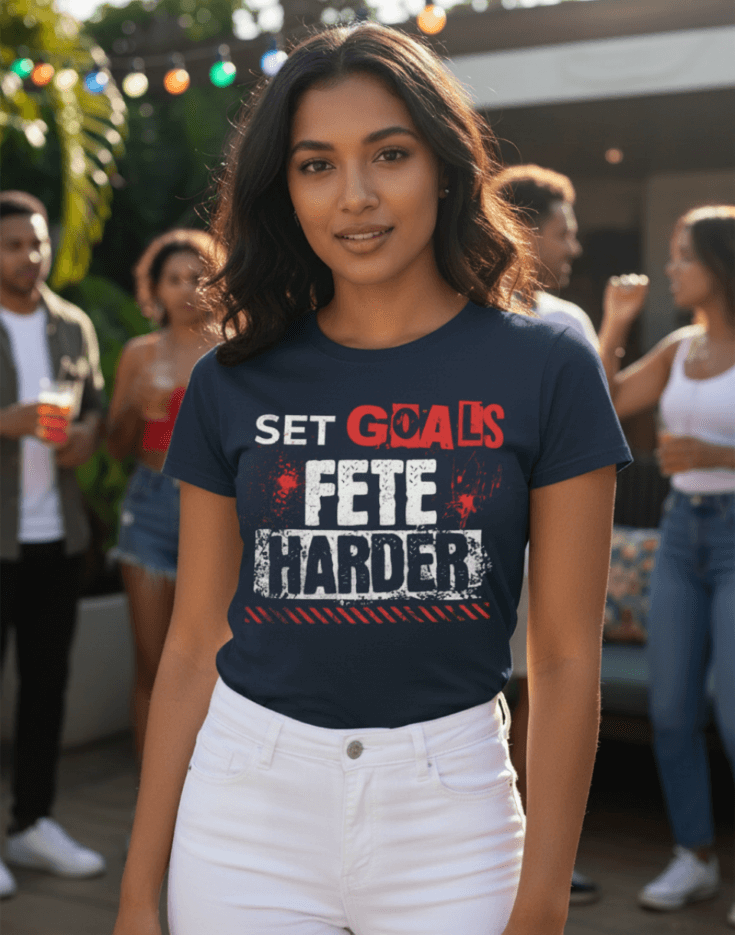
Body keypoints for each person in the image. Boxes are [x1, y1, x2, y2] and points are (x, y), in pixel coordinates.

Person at [113, 25, 631, 935]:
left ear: (442, 163)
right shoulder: (231, 380)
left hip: (453, 808)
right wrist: (135, 895)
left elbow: (561, 656)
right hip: (246, 803)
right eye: (316, 165)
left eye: (387, 154)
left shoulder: (548, 362)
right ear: (286, 188)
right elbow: (194, 643)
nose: (354, 197)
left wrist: (543, 897)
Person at [598, 205, 735, 926]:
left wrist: (719, 457)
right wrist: (616, 324)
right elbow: (599, 403)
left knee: (734, 712)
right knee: (669, 709)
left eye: (684, 255)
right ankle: (694, 855)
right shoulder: (680, 346)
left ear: (720, 262)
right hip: (682, 532)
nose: (671, 267)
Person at [493, 163, 618, 906]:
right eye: (565, 232)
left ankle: (538, 850)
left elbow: (582, 440)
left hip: (546, 545)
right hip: (493, 546)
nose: (572, 247)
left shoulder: (565, 324)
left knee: (543, 683)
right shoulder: (470, 316)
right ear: (529, 228)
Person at [0, 191, 107, 898]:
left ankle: (31, 822)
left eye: (36, 242)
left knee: (46, 690)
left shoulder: (72, 324)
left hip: (58, 539)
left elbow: (92, 407)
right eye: (13, 244)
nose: (29, 256)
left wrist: (85, 441)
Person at [106, 230, 220, 761]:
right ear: (155, 289)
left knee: (213, 663)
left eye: (196, 278)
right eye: (173, 279)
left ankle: (198, 803)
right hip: (149, 505)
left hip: (217, 511)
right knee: (152, 664)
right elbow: (116, 446)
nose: (186, 289)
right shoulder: (140, 354)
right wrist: (135, 405)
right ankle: (147, 809)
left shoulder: (232, 350)